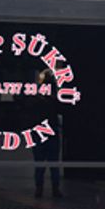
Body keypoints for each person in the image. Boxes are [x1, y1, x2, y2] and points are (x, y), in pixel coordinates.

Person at [31, 69, 63, 199]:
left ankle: (40, 188)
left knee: (40, 163)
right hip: (51, 130)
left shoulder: (37, 99)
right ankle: (55, 188)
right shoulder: (54, 99)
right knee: (53, 163)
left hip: (39, 131)